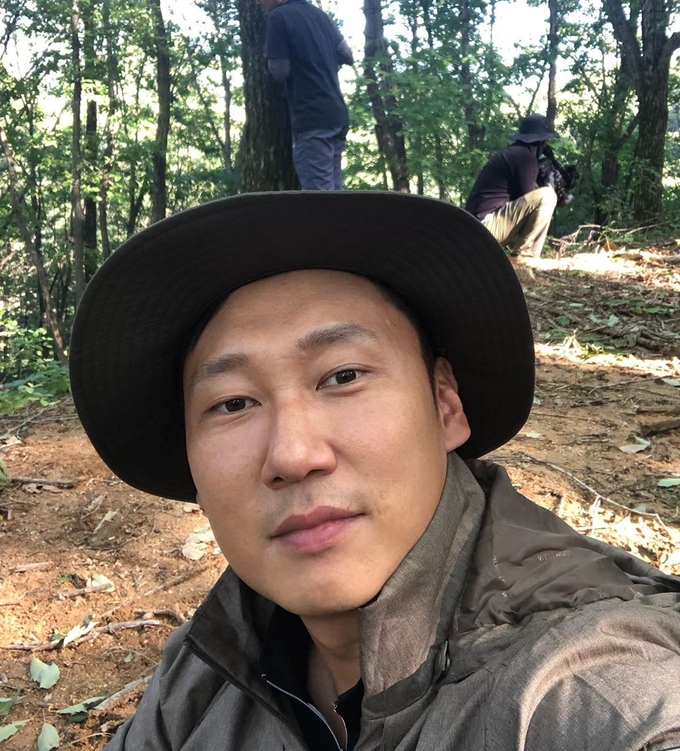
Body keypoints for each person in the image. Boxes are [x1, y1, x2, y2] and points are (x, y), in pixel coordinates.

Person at [69, 191, 680, 751]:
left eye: (343, 376)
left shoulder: (587, 691)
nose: (293, 455)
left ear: (445, 404)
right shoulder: (204, 673)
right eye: (232, 404)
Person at [237, 0, 354, 191]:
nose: (257, 0)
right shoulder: (320, 16)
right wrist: (319, 61)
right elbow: (346, 55)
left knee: (319, 199)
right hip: (336, 115)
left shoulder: (278, 18)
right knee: (335, 194)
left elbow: (280, 72)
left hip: (311, 119)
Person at [465, 113, 559, 260]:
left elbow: (520, 201)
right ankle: (524, 257)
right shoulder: (525, 158)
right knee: (547, 196)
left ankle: (528, 257)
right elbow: (528, 201)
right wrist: (549, 185)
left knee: (547, 195)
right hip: (484, 228)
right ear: (540, 141)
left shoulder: (513, 153)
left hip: (474, 229)